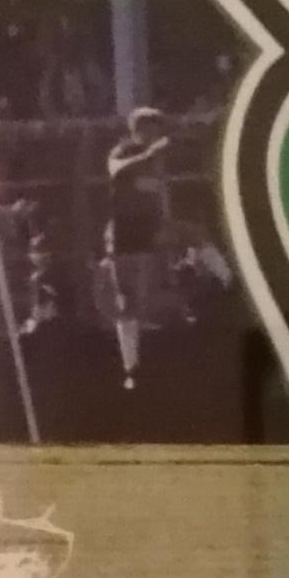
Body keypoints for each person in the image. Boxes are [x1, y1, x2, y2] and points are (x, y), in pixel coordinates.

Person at [104, 105, 176, 395]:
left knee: (192, 237)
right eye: (148, 128)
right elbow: (116, 171)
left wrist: (163, 220)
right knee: (126, 297)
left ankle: (222, 285)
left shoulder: (158, 160)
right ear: (136, 130)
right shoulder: (123, 151)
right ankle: (130, 367)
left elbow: (158, 194)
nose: (153, 134)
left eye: (157, 128)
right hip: (125, 230)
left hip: (150, 229)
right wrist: (148, 155)